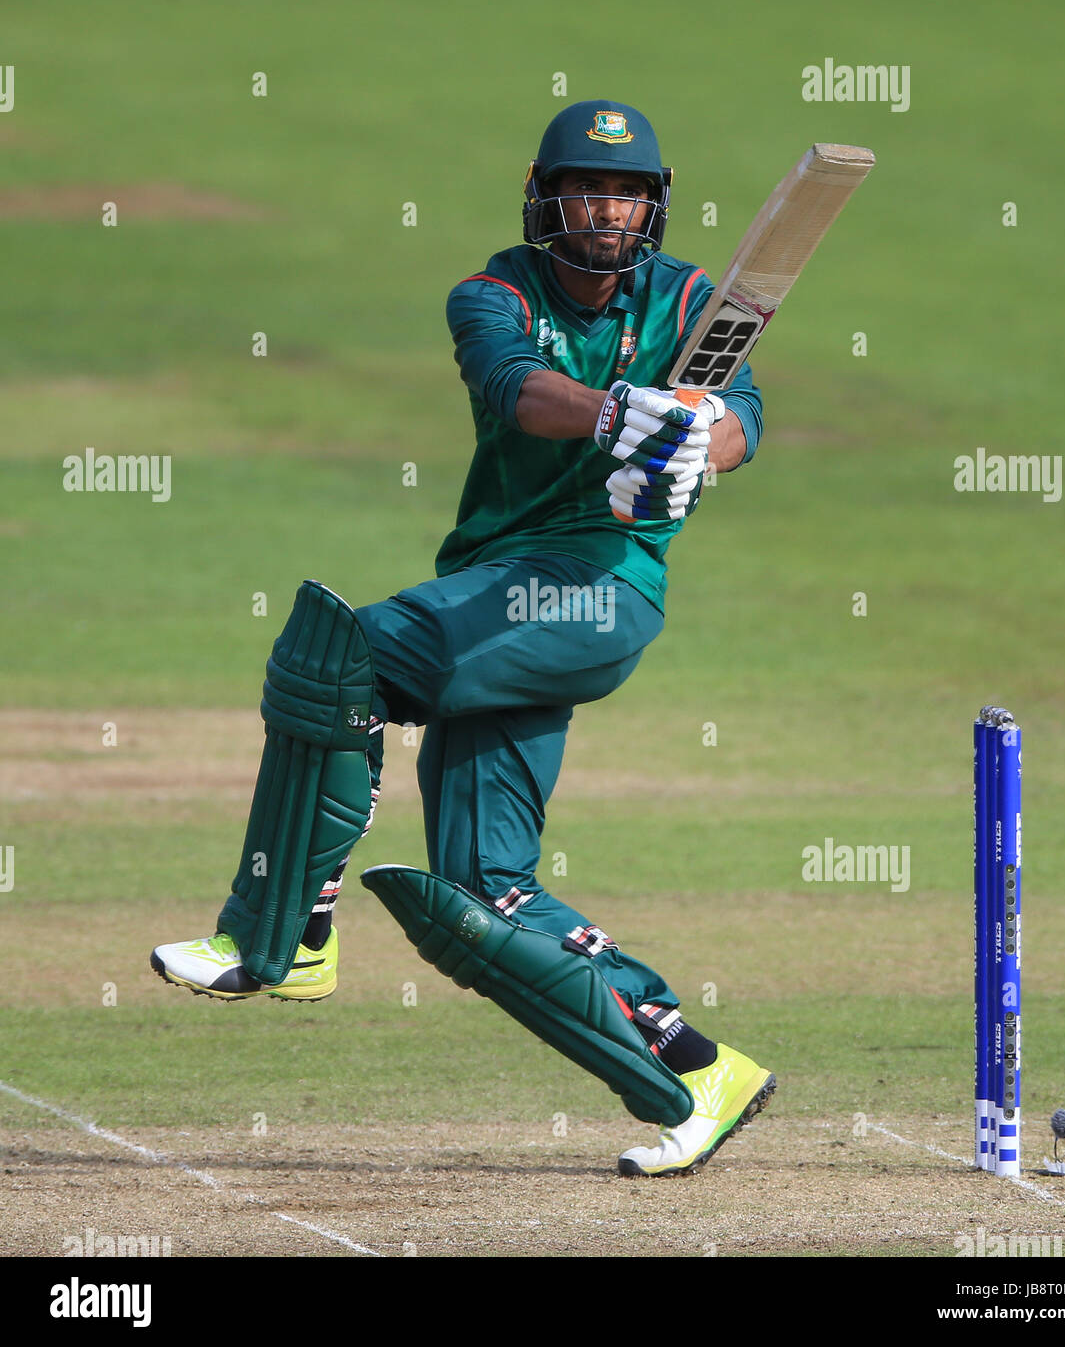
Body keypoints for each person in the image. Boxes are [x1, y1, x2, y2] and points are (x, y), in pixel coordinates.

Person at [151, 100, 775, 1177]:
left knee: (334, 657)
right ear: (546, 194)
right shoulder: (492, 294)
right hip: (499, 592)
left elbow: (742, 417)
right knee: (483, 899)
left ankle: (283, 935)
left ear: (653, 205)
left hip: (597, 593)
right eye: (587, 187)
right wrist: (615, 414)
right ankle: (694, 1069)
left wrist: (693, 447)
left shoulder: (688, 303)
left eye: (626, 192)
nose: (607, 209)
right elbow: (515, 391)